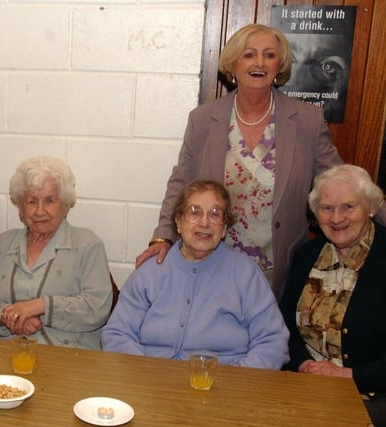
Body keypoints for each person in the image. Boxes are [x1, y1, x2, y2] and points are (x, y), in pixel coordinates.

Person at [134, 23, 368, 300]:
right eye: (249, 55)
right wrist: (163, 236)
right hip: (213, 261)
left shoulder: (306, 120)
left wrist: (375, 210)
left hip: (277, 267)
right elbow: (181, 183)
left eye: (269, 55)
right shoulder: (203, 119)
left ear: (279, 65)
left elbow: (343, 183)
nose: (259, 62)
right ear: (233, 63)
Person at [103, 180, 289, 369]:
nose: (205, 222)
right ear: (178, 222)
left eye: (215, 214)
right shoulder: (151, 271)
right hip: (150, 381)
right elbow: (118, 333)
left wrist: (235, 380)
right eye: (194, 212)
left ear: (224, 227)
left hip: (222, 386)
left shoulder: (245, 274)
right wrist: (144, 372)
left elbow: (272, 342)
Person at [280, 165, 386, 425]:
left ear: (370, 207)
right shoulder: (306, 255)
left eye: (349, 207)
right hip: (304, 387)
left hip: (370, 396)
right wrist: (305, 365)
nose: (337, 218)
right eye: (327, 208)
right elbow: (284, 326)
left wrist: (349, 375)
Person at [0, 156, 113, 349]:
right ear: (21, 208)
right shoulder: (3, 243)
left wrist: (39, 306)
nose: (40, 211)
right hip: (7, 351)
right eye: (31, 201)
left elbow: (97, 308)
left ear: (66, 204)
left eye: (50, 201)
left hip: (68, 356)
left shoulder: (87, 244)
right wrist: (10, 317)